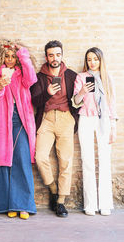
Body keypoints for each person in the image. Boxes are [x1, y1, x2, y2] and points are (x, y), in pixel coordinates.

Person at [0, 40, 37, 220]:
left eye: (14, 57)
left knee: (21, 160)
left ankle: (23, 205)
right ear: (1, 58)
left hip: (21, 121)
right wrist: (0, 85)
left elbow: (32, 79)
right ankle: (6, 205)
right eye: (7, 56)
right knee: (4, 162)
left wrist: (22, 52)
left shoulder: (22, 75)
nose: (10, 59)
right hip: (2, 123)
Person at [30, 40, 78, 218]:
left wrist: (75, 118)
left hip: (66, 119)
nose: (55, 58)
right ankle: (53, 189)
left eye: (58, 54)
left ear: (62, 55)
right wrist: (47, 93)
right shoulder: (40, 77)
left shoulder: (72, 75)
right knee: (40, 156)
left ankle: (60, 202)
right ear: (46, 57)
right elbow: (34, 101)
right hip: (47, 119)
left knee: (65, 161)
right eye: (51, 55)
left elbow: (78, 99)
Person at [72, 47, 117, 216]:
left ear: (100, 60)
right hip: (86, 118)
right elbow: (75, 101)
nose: (92, 62)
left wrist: (113, 127)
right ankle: (90, 204)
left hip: (104, 119)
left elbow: (112, 103)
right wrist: (83, 91)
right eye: (89, 59)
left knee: (104, 160)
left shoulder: (107, 79)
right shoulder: (81, 77)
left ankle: (105, 204)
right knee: (88, 161)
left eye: (95, 59)